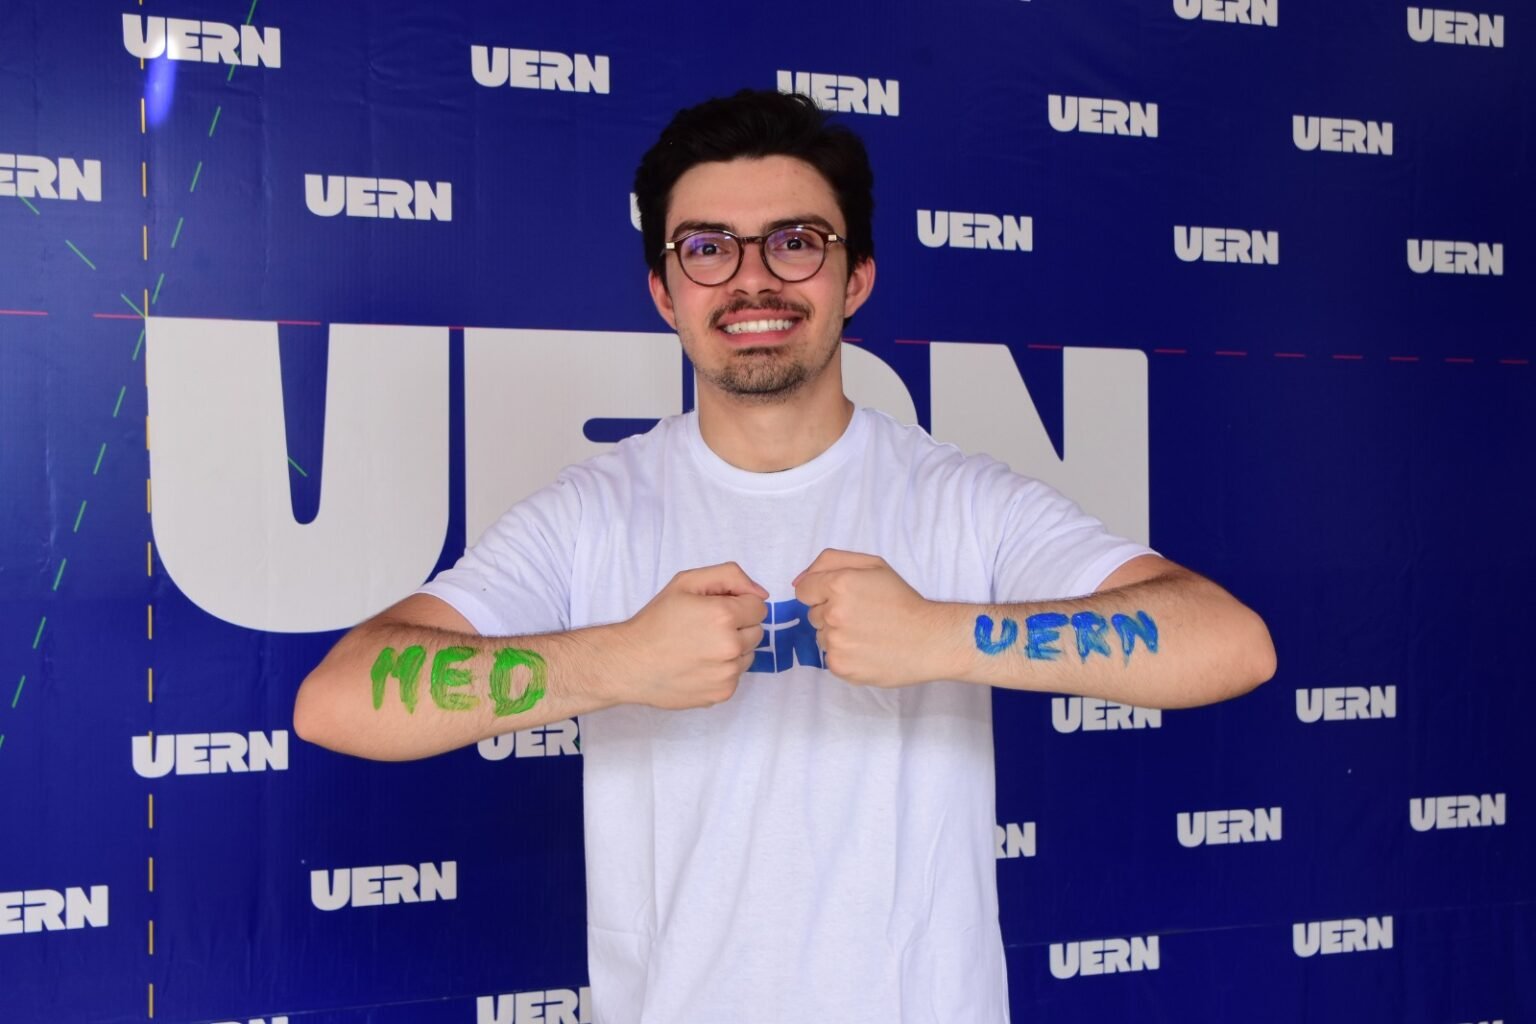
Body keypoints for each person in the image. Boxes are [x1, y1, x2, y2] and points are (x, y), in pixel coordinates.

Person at [294, 89, 1276, 1022]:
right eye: (708, 248)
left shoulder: (958, 496)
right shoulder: (594, 511)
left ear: (856, 279)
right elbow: (339, 700)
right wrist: (616, 663)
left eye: (796, 243)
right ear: (664, 290)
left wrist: (946, 635)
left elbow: (1230, 645)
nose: (752, 278)